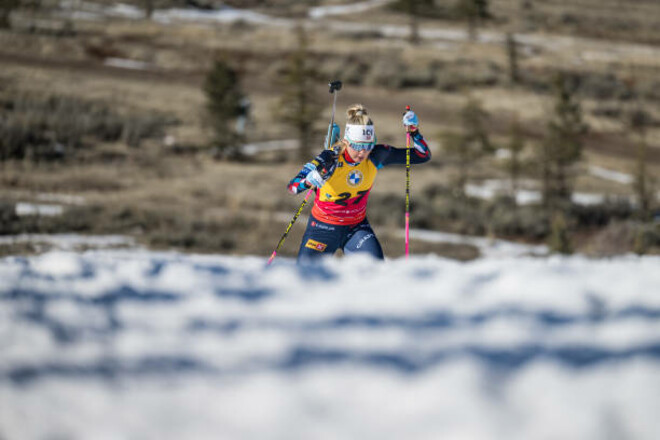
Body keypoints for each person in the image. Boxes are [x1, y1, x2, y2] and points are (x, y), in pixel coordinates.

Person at [287, 104, 431, 263]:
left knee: (375, 271)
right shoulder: (330, 157)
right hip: (322, 228)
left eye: (368, 146)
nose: (362, 152)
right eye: (357, 146)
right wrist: (308, 181)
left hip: (356, 228)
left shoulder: (377, 156)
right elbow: (293, 187)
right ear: (346, 142)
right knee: (306, 276)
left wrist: (414, 132)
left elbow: (422, 155)